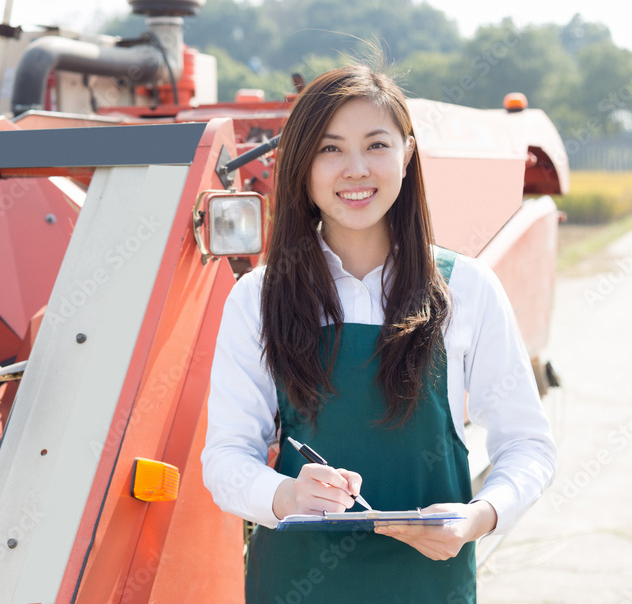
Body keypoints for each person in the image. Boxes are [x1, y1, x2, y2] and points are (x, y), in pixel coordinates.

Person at [201, 64, 557, 603]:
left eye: (376, 145)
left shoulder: (469, 289)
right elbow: (225, 457)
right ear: (300, 165)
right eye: (330, 149)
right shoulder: (257, 297)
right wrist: (286, 495)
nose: (356, 169)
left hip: (427, 584)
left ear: (408, 155)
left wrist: (479, 518)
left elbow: (528, 445)